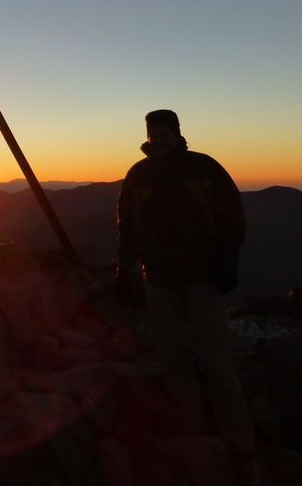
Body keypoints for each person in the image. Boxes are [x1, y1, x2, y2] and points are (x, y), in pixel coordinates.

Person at [115, 109, 262, 486]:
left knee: (216, 362)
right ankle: (195, 435)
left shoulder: (204, 168)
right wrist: (125, 267)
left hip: (202, 277)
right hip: (160, 280)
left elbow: (232, 216)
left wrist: (228, 261)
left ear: (177, 134)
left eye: (166, 133)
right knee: (173, 358)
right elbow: (127, 224)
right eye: (155, 134)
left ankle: (243, 448)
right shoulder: (139, 175)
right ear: (148, 136)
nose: (160, 140)